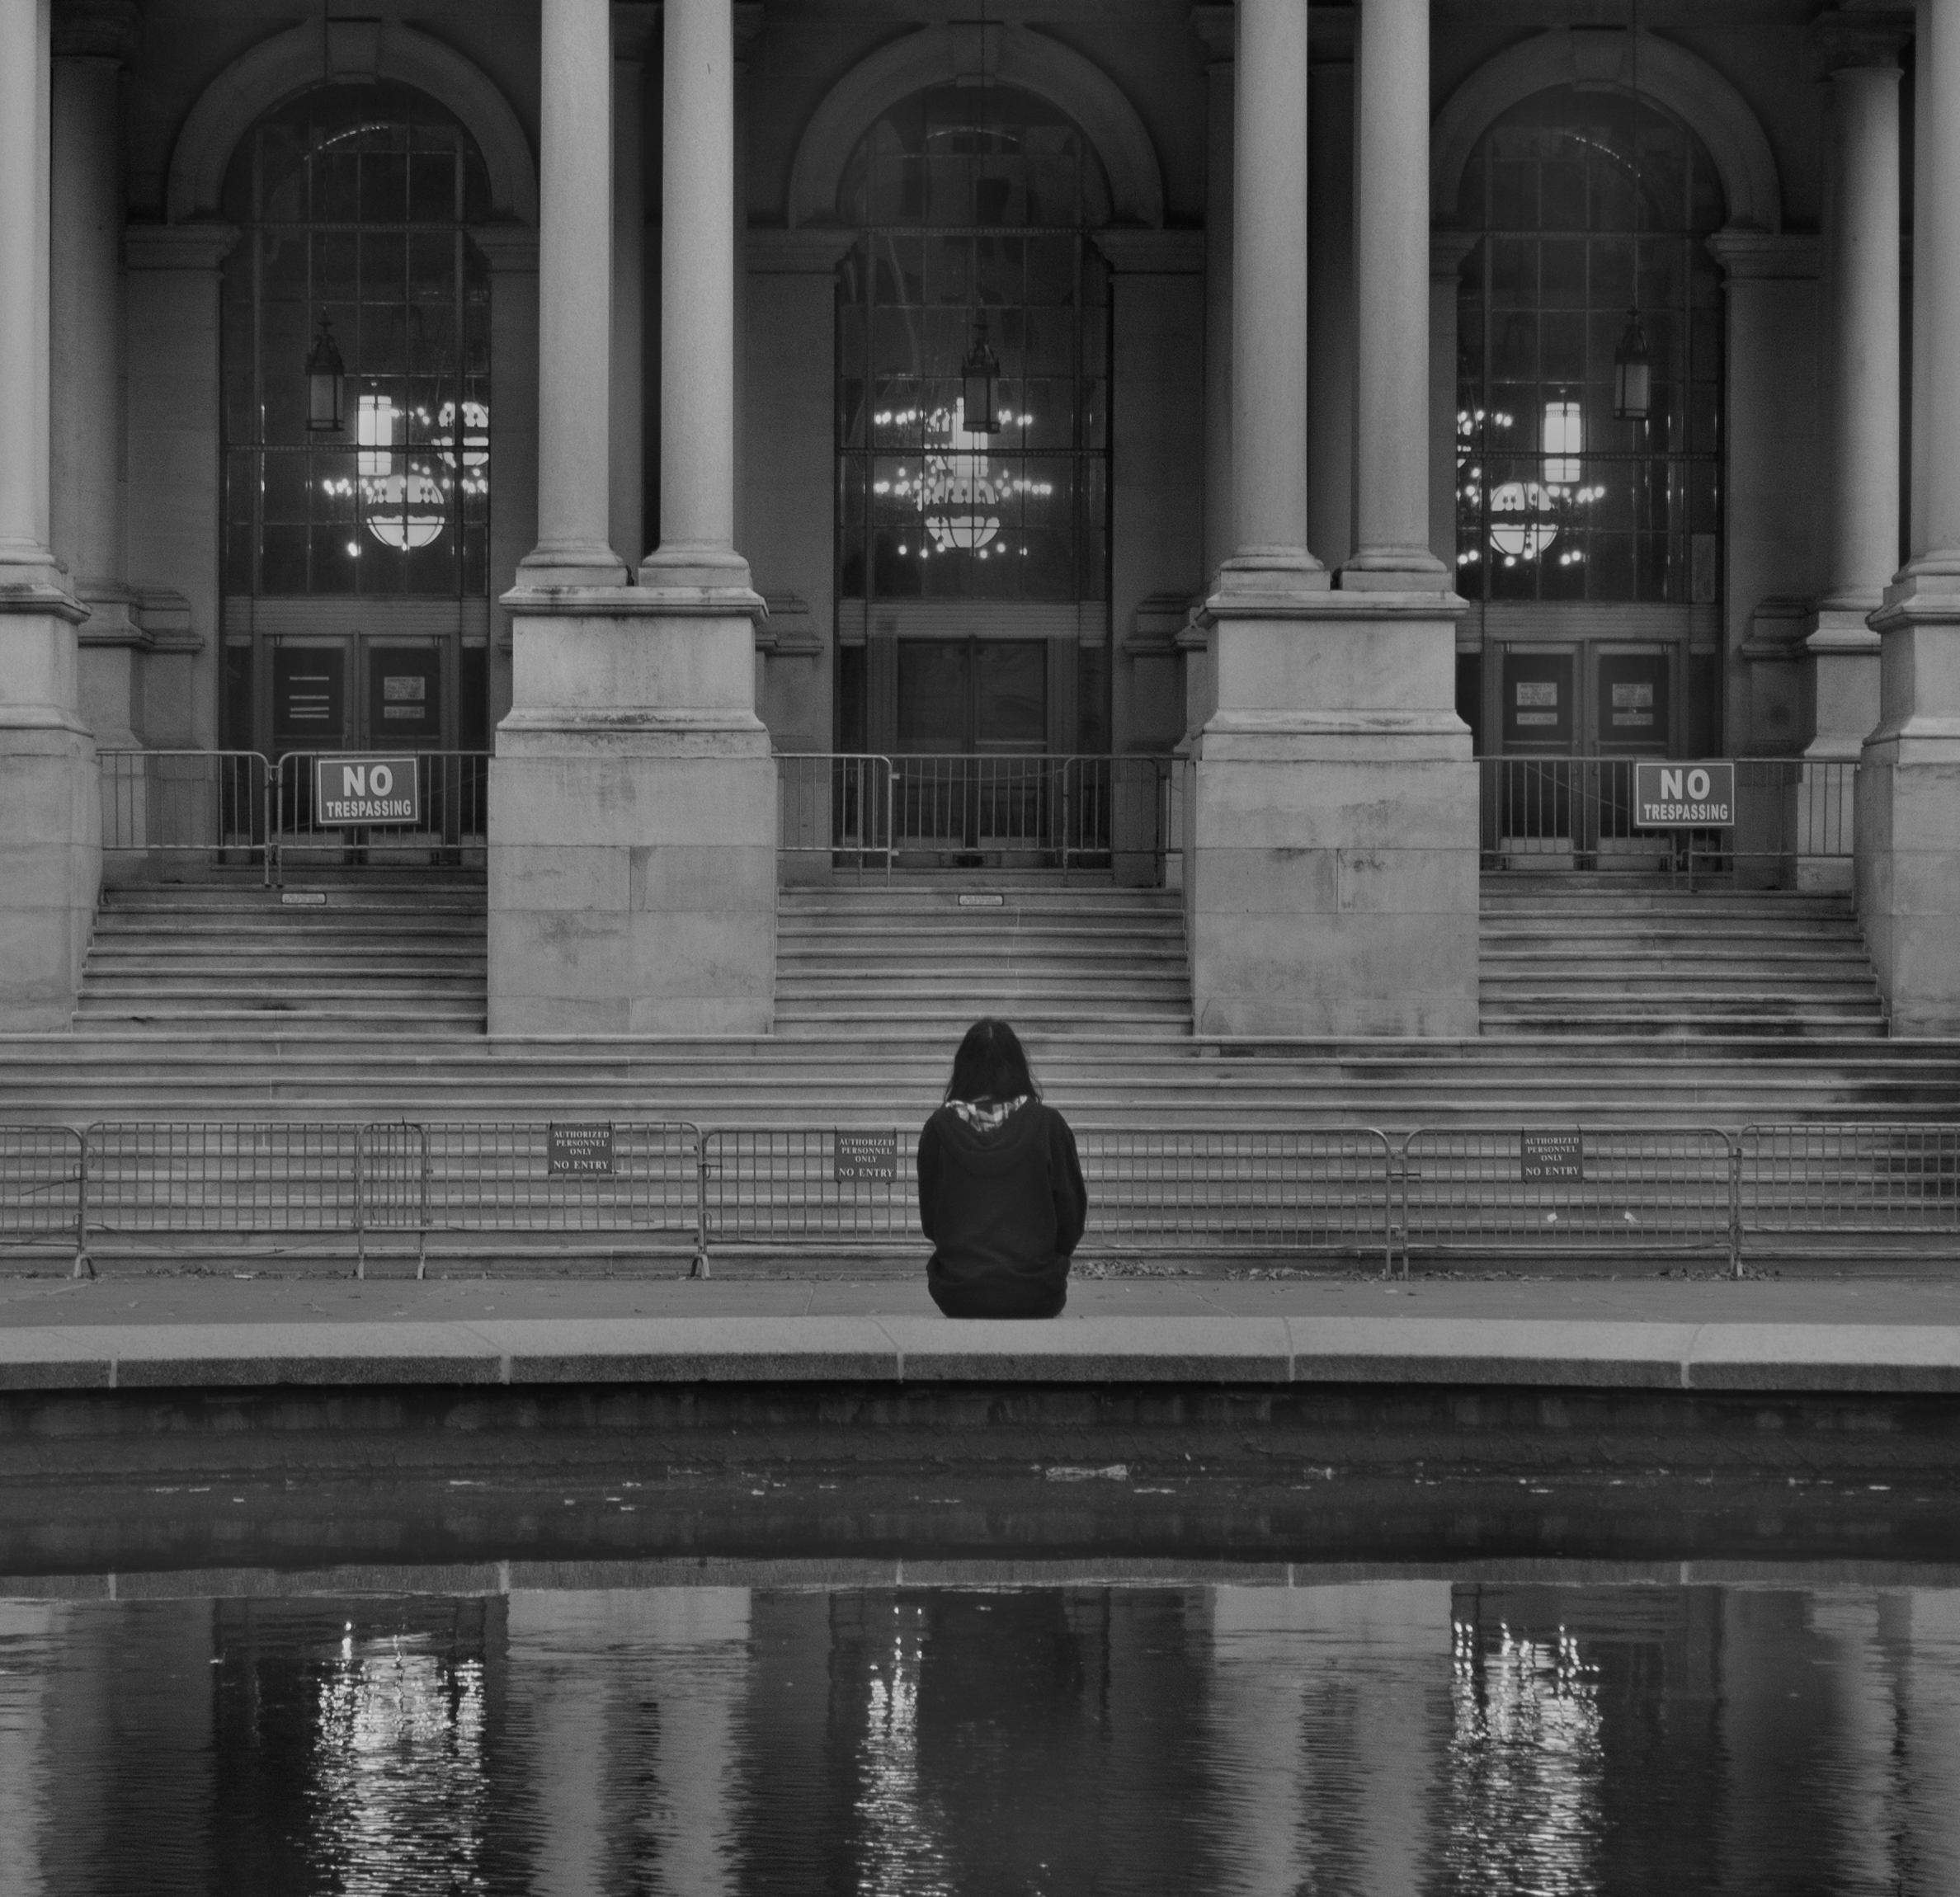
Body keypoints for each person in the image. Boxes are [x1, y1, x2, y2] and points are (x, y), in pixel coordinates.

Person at [916, 1017, 1087, 1318]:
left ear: (963, 1069)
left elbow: (931, 1219)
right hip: (1037, 1290)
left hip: (958, 1291)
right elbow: (1071, 1216)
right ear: (1019, 1067)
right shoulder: (1049, 1126)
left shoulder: (938, 1128)